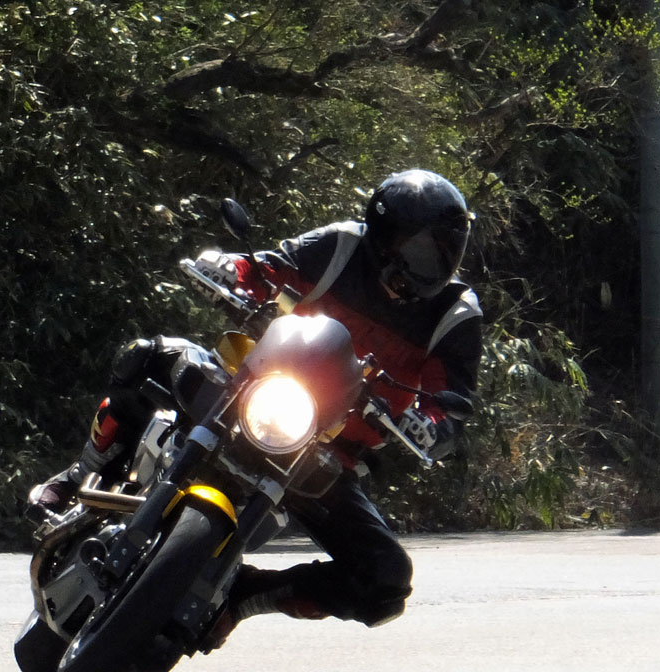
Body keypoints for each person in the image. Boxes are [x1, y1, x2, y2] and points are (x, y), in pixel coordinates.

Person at [30, 169, 483, 646]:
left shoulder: (456, 312)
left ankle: (244, 598)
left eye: (442, 254)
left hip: (325, 452)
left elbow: (450, 404)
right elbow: (270, 267)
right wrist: (231, 270)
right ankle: (78, 473)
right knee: (148, 356)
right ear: (384, 235)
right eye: (419, 249)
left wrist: (432, 425)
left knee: (385, 580)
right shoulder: (341, 246)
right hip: (249, 393)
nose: (429, 265)